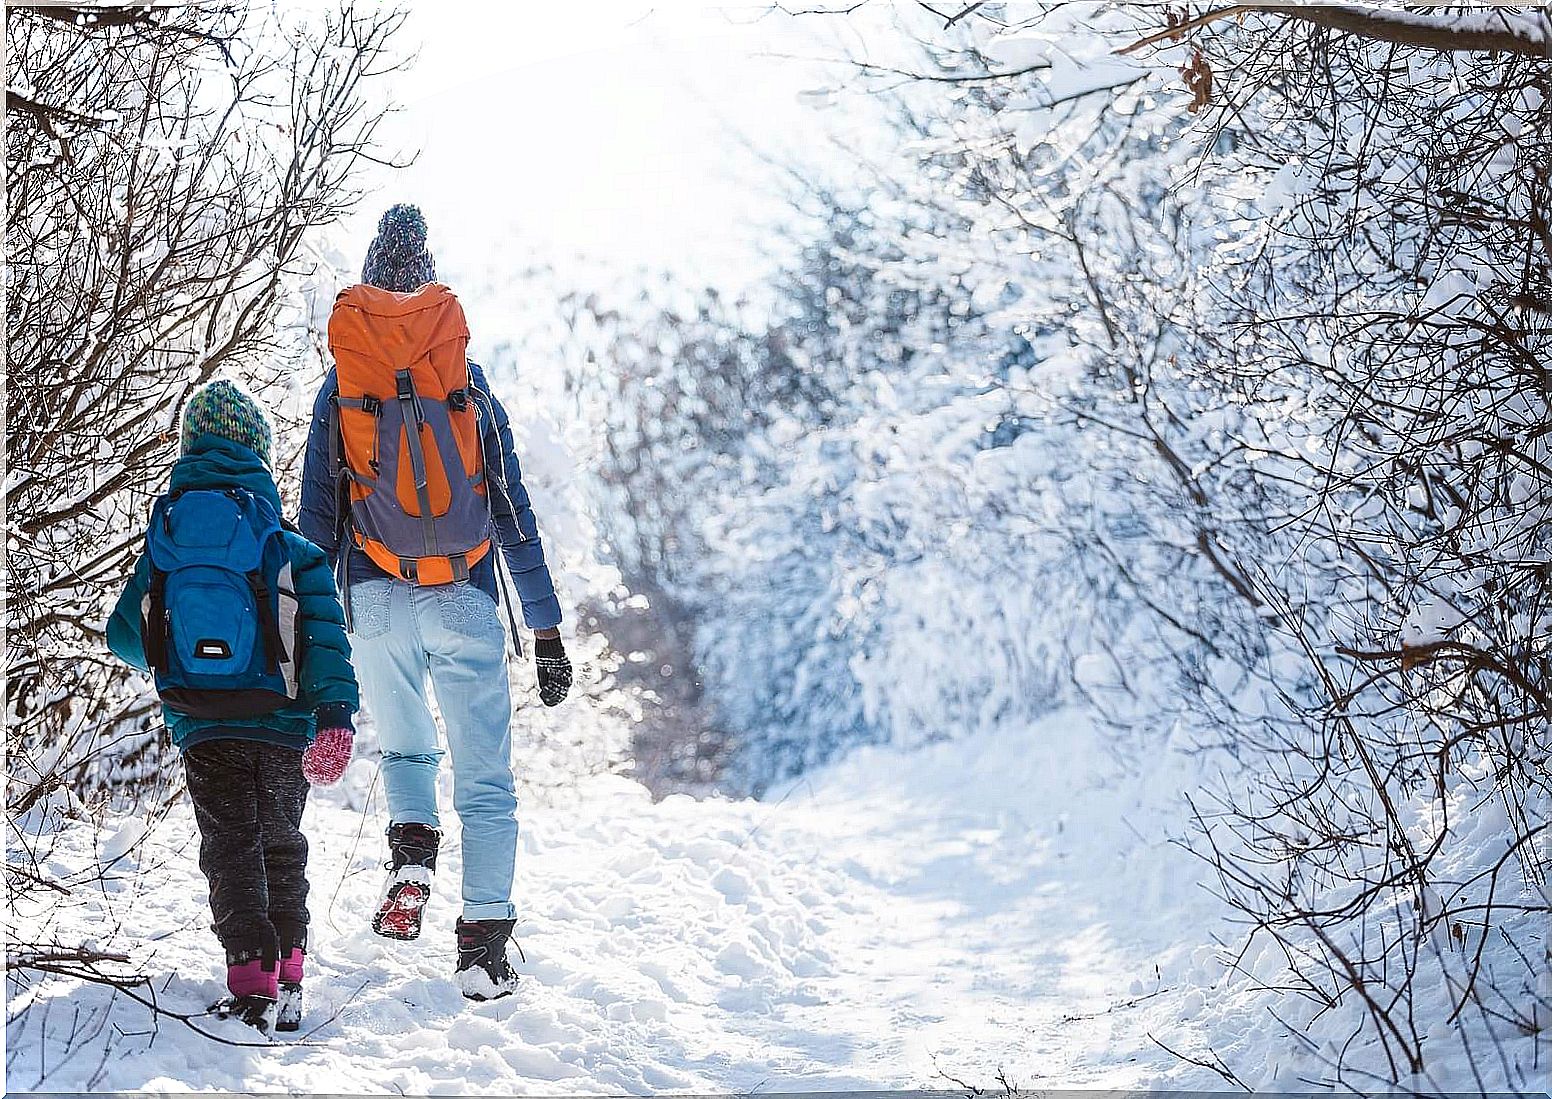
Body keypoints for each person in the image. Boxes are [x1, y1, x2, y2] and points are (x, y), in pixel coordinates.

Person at [299, 203, 573, 1001]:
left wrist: (307, 637)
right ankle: (484, 944)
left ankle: (412, 855)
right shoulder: (467, 383)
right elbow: (514, 512)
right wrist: (547, 629)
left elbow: (316, 521)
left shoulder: (343, 384)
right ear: (427, 287)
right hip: (463, 594)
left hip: (377, 601)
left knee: (409, 749)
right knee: (486, 779)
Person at [107, 379, 359, 1036]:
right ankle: (293, 968)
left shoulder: (166, 538)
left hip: (204, 723)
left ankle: (251, 976)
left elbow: (123, 637)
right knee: (281, 843)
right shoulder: (289, 545)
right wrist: (334, 715)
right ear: (259, 453)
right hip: (281, 723)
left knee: (229, 844)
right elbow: (326, 639)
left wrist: (183, 651)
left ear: (190, 448)